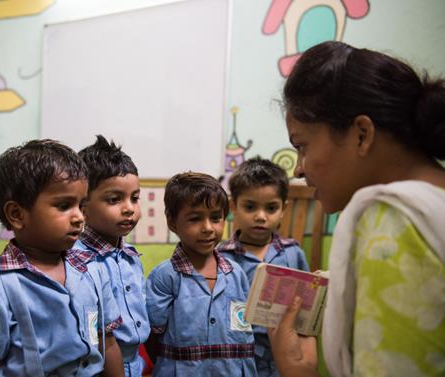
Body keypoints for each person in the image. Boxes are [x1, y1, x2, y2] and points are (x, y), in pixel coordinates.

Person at [267, 41, 445, 377]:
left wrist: (296, 371)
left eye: (302, 146)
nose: (299, 169)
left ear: (362, 134)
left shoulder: (395, 221)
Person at [0, 139, 124, 377]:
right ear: (17, 214)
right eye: (64, 205)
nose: (79, 217)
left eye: (81, 206)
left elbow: (108, 343)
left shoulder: (93, 270)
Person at [145, 172, 259, 376]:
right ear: (172, 222)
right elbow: (152, 338)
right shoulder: (166, 277)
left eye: (215, 218)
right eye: (195, 219)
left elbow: (244, 331)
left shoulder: (236, 274)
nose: (208, 228)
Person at [217, 156, 309, 377]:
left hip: (282, 356)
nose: (260, 216)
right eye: (250, 206)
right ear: (233, 206)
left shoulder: (292, 253)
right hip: (236, 357)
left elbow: (306, 307)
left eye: (271, 208)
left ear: (283, 209)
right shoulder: (221, 256)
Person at [74, 135, 149, 377]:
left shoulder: (130, 257)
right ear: (83, 205)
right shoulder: (77, 261)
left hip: (134, 363)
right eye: (114, 199)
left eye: (134, 198)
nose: (129, 208)